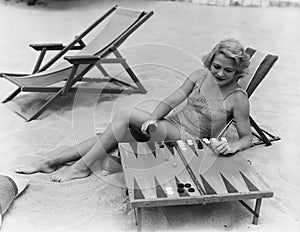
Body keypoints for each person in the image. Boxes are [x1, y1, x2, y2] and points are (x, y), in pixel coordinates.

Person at [15, 38, 253, 182]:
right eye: (216, 66)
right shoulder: (200, 76)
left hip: (189, 141)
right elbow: (169, 102)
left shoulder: (237, 98)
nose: (220, 73)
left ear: (238, 71)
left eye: (228, 71)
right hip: (170, 126)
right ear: (210, 62)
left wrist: (233, 145)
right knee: (107, 136)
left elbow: (247, 137)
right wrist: (151, 119)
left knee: (125, 115)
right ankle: (51, 161)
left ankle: (80, 168)